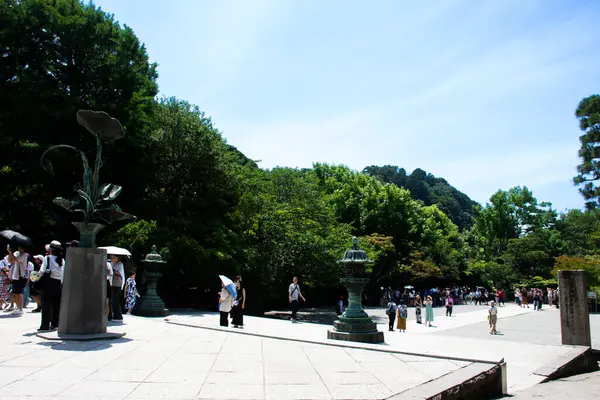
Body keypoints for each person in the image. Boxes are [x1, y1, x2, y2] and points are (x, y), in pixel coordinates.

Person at [39, 241, 64, 331]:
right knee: (56, 305)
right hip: (58, 284)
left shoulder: (47, 258)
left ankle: (45, 325)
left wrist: (36, 277)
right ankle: (55, 323)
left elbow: (42, 271)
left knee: (46, 305)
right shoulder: (62, 259)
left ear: (51, 249)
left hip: (48, 283)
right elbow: (63, 274)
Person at [7, 244, 28, 316]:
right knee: (15, 293)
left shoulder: (24, 255)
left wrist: (10, 253)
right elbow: (10, 261)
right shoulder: (16, 253)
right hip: (14, 276)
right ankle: (18, 307)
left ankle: (21, 308)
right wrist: (10, 253)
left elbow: (16, 260)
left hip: (20, 276)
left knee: (19, 293)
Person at [108, 255, 125, 321]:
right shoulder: (110, 263)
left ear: (118, 258)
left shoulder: (120, 265)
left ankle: (118, 316)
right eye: (111, 257)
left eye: (114, 257)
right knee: (110, 300)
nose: (112, 259)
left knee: (116, 300)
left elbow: (120, 274)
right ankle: (111, 315)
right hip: (111, 283)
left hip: (117, 284)